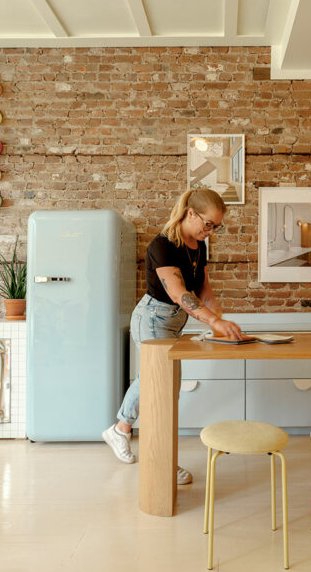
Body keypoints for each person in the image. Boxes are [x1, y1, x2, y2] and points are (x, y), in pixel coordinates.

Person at [102, 188, 243, 484]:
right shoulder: (162, 245)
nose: (212, 231)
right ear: (190, 213)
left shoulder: (199, 245)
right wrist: (213, 320)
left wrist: (219, 321)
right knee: (161, 389)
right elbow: (180, 294)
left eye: (217, 226)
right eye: (209, 224)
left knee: (159, 384)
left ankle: (121, 430)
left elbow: (203, 290)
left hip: (174, 322)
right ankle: (161, 462)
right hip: (153, 317)